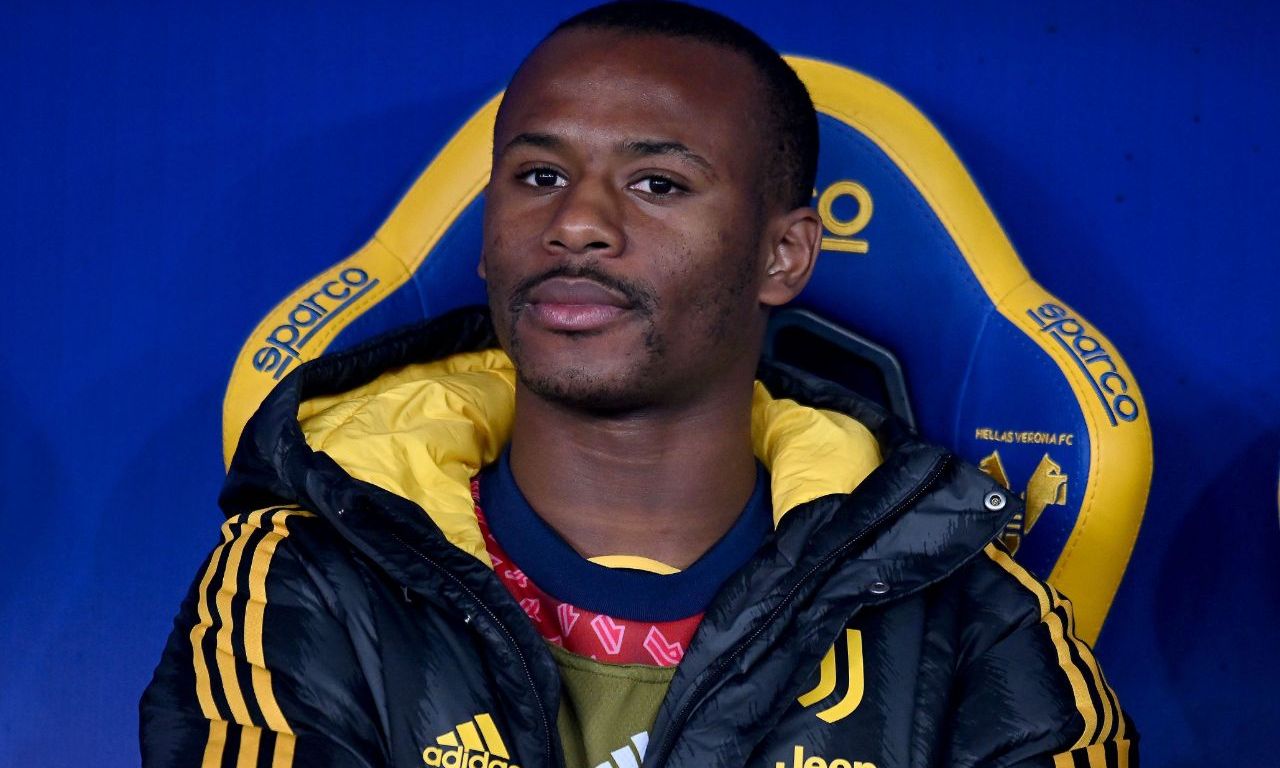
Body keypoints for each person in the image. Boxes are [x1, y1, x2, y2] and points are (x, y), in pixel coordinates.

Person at [141, 3, 1136, 767]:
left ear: (784, 255)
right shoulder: (303, 577)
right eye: (538, 177)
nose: (575, 223)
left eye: (656, 184)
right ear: (486, 238)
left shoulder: (973, 612)